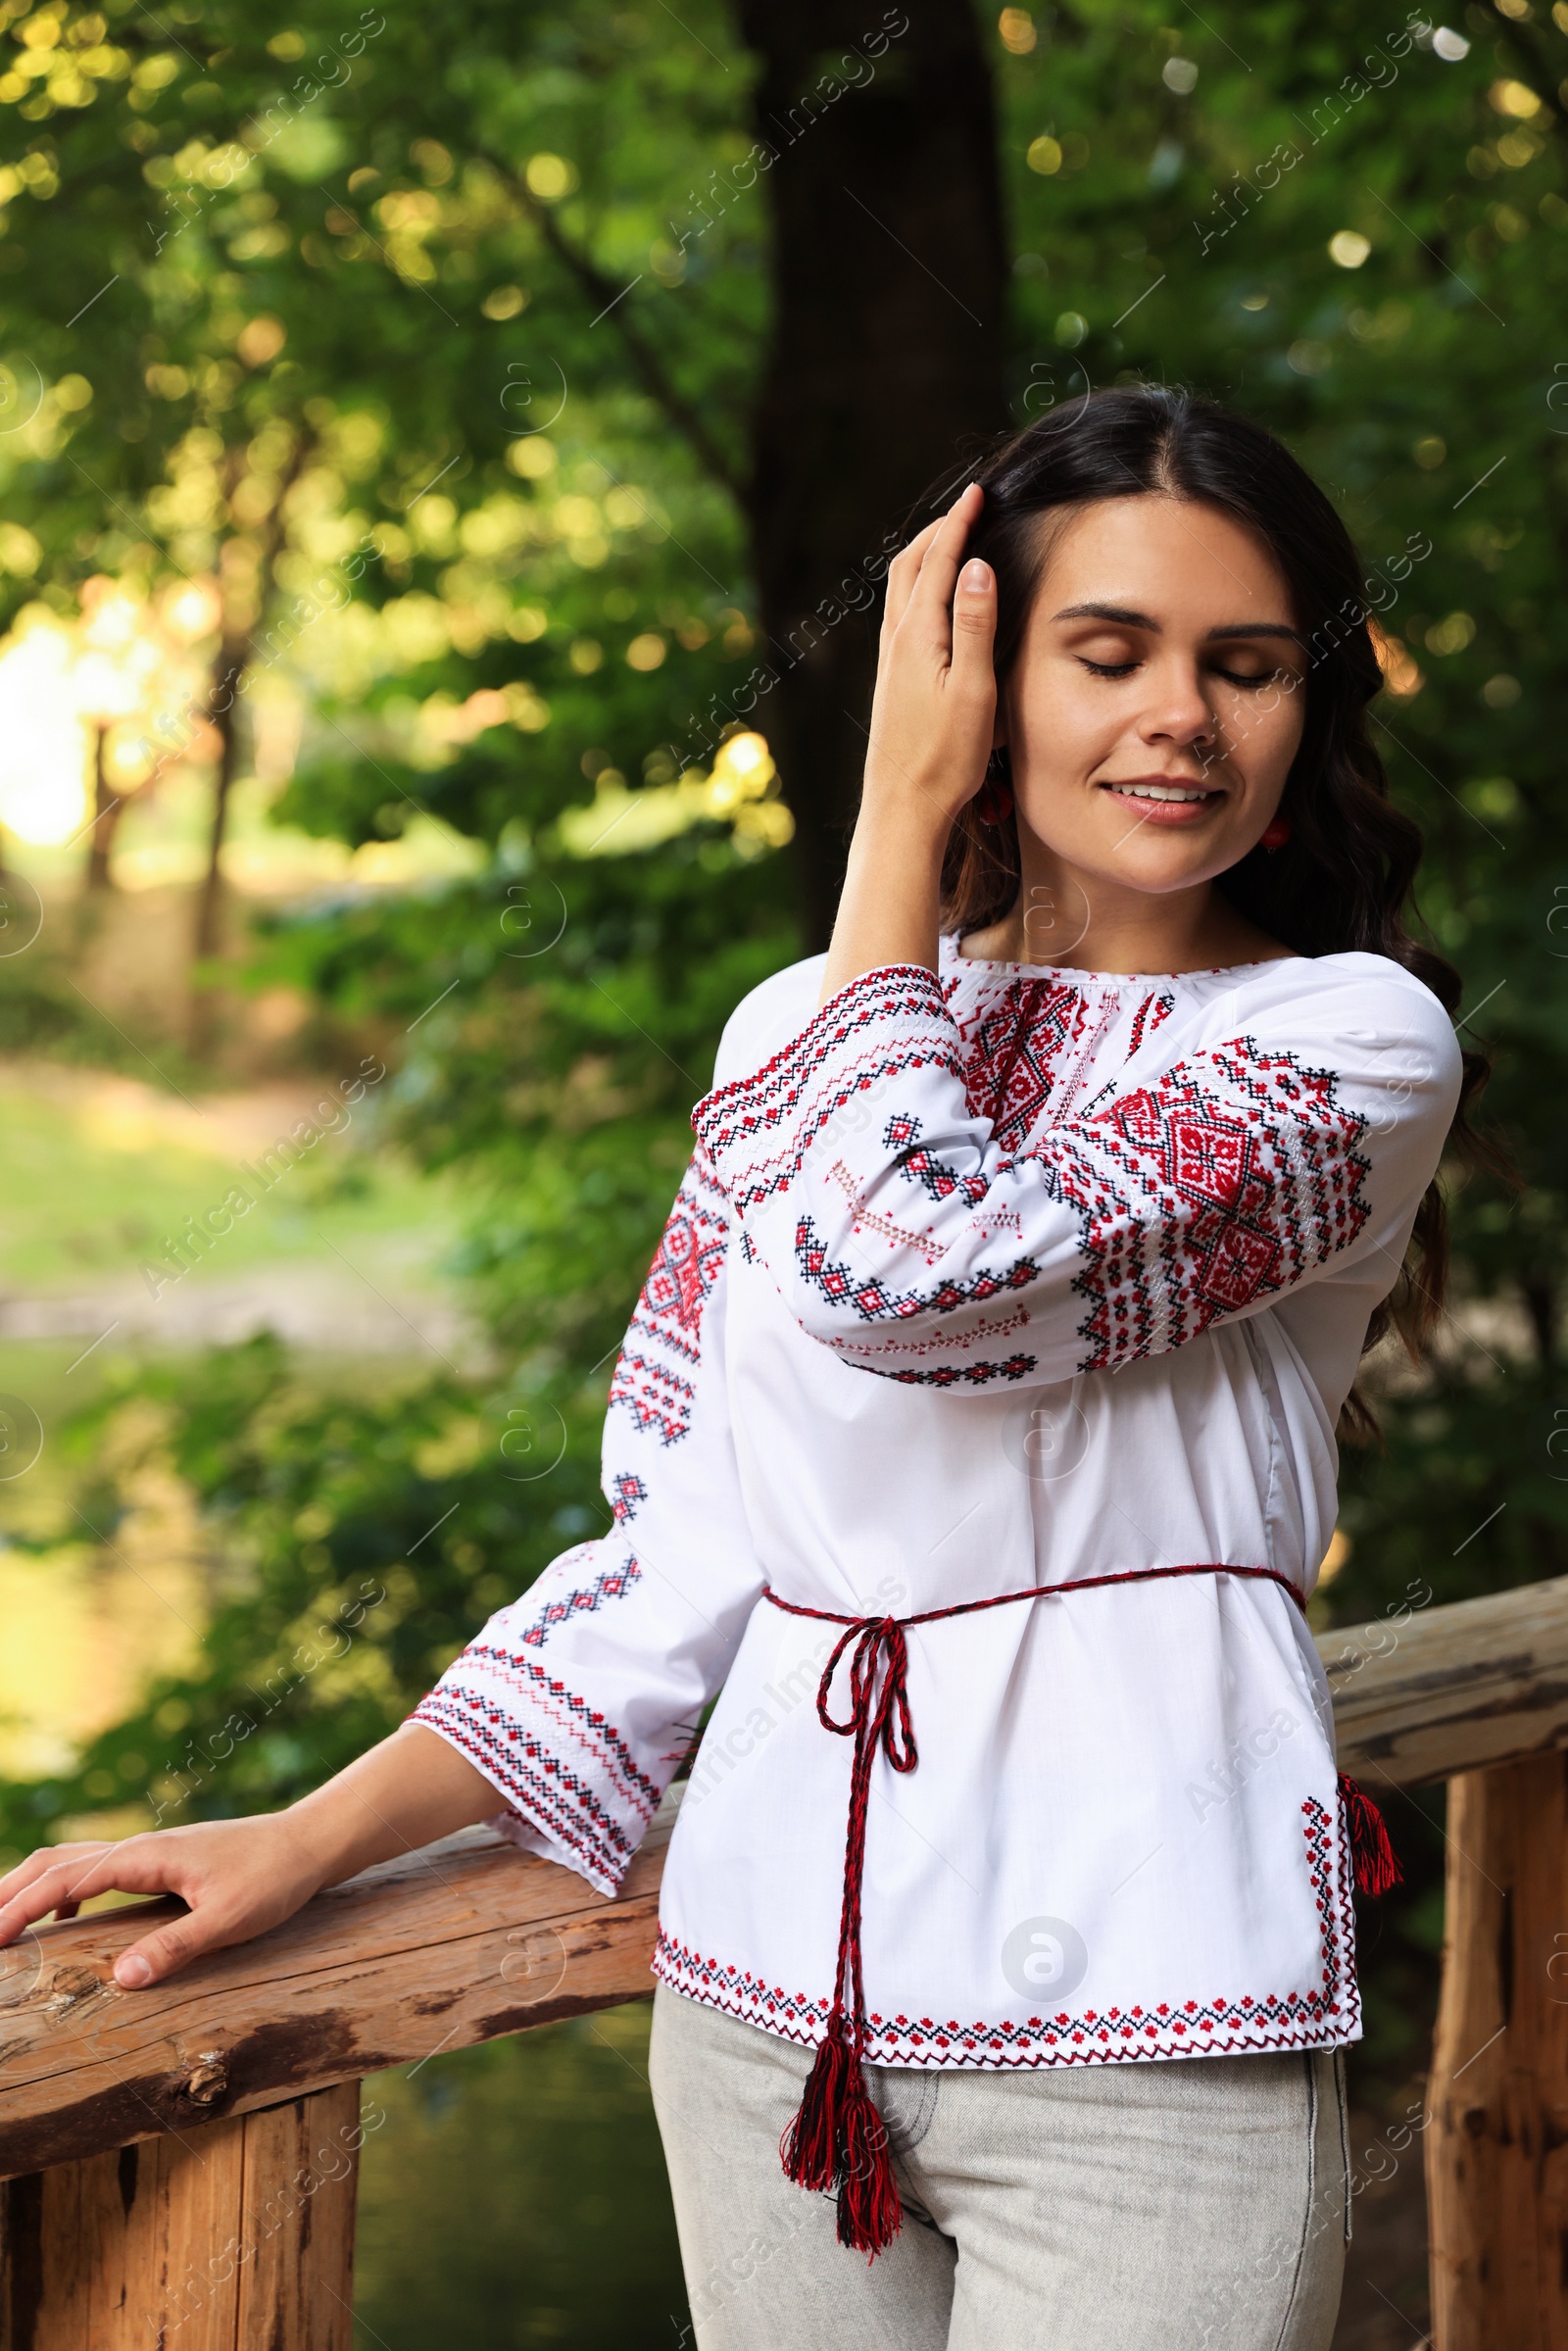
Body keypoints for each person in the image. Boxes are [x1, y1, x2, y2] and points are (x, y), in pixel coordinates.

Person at [0, 386, 1482, 2349]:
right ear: (971, 674)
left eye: (1243, 664)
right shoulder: (798, 1026)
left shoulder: (1341, 1044)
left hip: (1148, 2022)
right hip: (768, 2014)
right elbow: (681, 1537)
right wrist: (307, 1839)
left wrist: (885, 822)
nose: (1180, 718)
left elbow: (911, 1274)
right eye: (1101, 652)